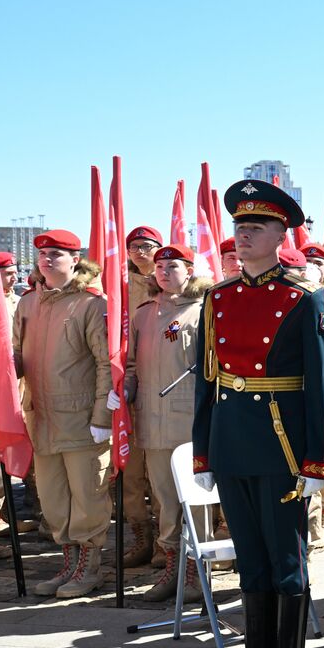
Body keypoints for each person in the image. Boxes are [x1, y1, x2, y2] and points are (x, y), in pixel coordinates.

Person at [196, 180, 324, 648]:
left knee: (286, 562)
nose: (244, 234)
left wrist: (318, 460)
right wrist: (204, 451)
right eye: (239, 226)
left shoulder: (305, 300)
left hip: (281, 443)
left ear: (283, 234)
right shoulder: (218, 298)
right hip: (233, 442)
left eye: (257, 226)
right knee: (249, 564)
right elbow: (207, 381)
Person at [13, 230, 113, 598]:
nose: (47, 259)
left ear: (75, 259)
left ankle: (89, 568)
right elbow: (18, 354)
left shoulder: (90, 304)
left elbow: (106, 364)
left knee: (88, 496)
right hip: (41, 417)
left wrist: (103, 417)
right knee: (54, 500)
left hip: (81, 420)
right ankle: (69, 563)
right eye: (42, 254)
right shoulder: (28, 304)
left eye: (56, 253)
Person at [126, 244, 210, 602]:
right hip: (152, 423)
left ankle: (195, 574)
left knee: (195, 501)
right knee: (164, 502)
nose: (163, 271)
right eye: (159, 266)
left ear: (188, 270)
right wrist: (126, 388)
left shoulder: (204, 311)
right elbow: (131, 364)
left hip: (189, 423)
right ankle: (172, 569)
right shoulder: (145, 313)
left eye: (172, 266)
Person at [121, 224, 164, 570]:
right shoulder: (119, 286)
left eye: (146, 245)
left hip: (161, 389)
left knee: (161, 477)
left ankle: (168, 544)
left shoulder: (167, 286)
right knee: (131, 475)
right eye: (133, 246)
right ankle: (141, 537)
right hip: (125, 389)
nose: (139, 251)